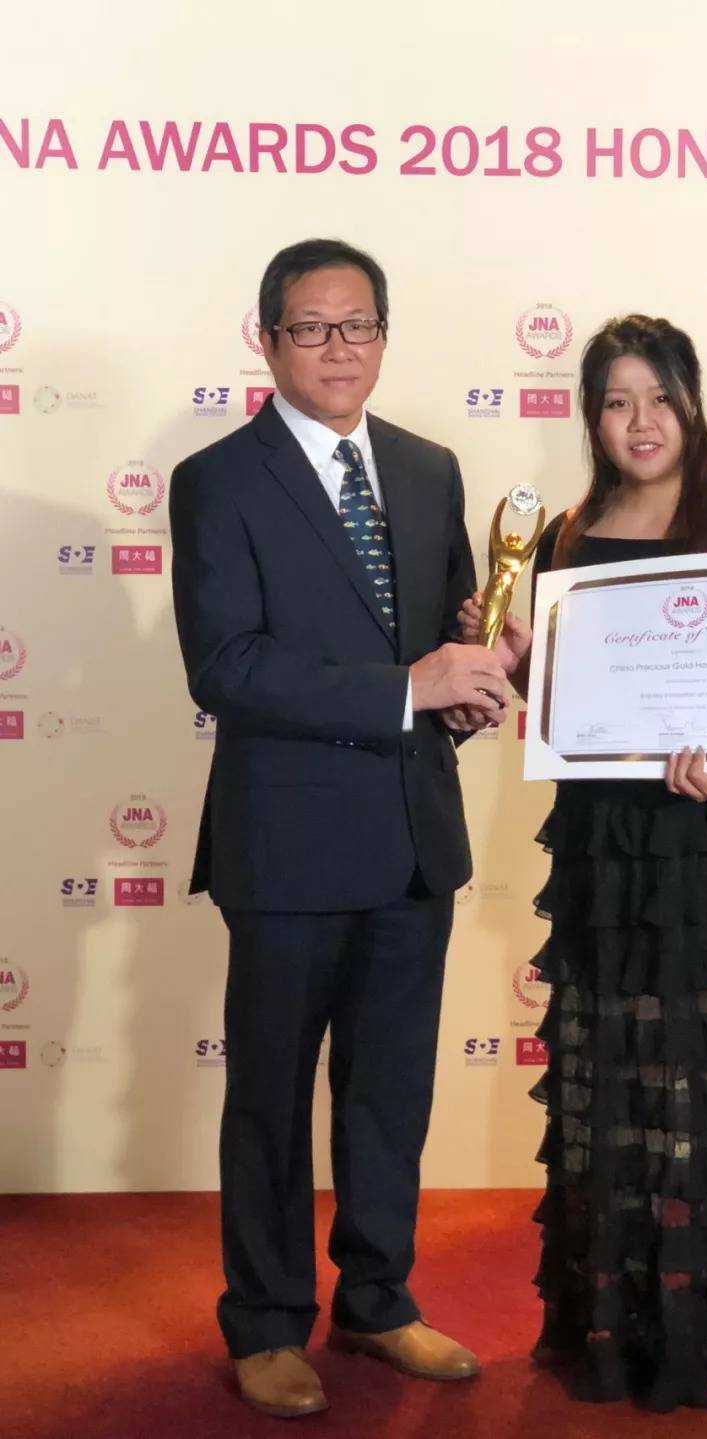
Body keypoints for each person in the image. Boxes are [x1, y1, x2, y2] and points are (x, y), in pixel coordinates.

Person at [170, 238, 509, 1419]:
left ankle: (377, 1297)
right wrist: (410, 685)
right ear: (265, 340)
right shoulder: (219, 479)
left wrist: (476, 676)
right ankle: (266, 1320)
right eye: (310, 327)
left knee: (389, 1092)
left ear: (383, 335)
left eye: (357, 324)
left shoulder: (428, 467)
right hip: (285, 845)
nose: (337, 347)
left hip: (413, 835)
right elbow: (227, 664)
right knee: (270, 1098)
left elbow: (444, 644)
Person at [459, 314, 707, 1411]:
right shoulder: (566, 538)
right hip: (608, 843)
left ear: (693, 402)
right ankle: (617, 1333)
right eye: (617, 402)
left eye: (660, 397)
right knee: (614, 1084)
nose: (641, 421)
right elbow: (573, 710)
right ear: (592, 418)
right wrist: (519, 657)